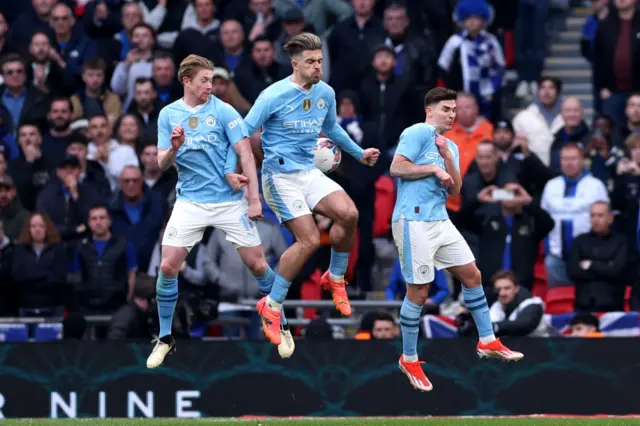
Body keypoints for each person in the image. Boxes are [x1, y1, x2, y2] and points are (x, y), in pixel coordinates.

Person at [231, 33, 380, 347]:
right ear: (295, 64)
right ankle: (271, 305)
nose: (317, 67)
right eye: (311, 61)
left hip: (309, 172)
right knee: (310, 239)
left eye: (320, 61)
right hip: (279, 178)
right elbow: (243, 133)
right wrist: (232, 174)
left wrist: (359, 152)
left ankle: (335, 277)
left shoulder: (325, 91)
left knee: (349, 214)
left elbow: (332, 128)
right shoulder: (272, 95)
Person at [146, 54, 281, 368]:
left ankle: (280, 324)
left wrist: (254, 198)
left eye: (212, 80)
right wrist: (175, 147)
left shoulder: (224, 111)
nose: (210, 85)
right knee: (167, 266)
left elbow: (245, 152)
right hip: (190, 202)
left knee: (258, 264)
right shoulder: (168, 114)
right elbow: (160, 163)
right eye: (204, 80)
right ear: (187, 81)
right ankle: (164, 338)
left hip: (227, 202)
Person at [389, 87, 523, 392]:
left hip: (439, 219)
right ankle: (409, 357)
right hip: (413, 220)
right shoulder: (417, 132)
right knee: (419, 292)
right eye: (447, 109)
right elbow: (396, 167)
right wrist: (433, 168)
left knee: (472, 274)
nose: (453, 114)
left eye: (454, 109)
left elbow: (456, 190)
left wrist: (448, 159)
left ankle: (487, 339)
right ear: (430, 110)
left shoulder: (450, 145)